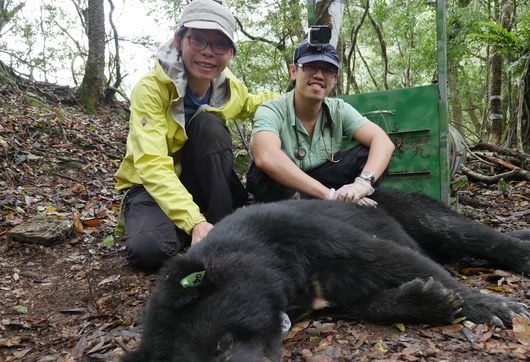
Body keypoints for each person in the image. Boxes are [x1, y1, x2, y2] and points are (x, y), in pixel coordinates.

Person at [114, 0, 276, 270]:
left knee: (208, 126)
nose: (208, 53)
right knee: (148, 251)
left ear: (231, 52)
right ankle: (197, 227)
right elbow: (151, 164)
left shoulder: (228, 87)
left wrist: (300, 98)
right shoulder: (151, 89)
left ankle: (223, 229)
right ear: (179, 41)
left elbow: (253, 103)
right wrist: (194, 222)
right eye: (198, 40)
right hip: (153, 186)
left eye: (219, 45)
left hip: (202, 182)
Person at [247, 38, 394, 205]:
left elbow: (382, 141)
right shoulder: (271, 110)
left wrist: (363, 183)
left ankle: (352, 204)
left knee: (366, 153)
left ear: (335, 78)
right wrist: (328, 195)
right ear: (294, 71)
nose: (319, 75)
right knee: (269, 165)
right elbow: (265, 156)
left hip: (321, 186)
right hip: (281, 195)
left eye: (328, 70)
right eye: (310, 67)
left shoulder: (339, 109)